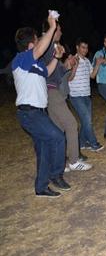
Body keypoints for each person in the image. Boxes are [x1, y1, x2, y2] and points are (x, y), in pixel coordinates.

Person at [12, 14, 70, 197]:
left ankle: (41, 187)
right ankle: (56, 175)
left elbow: (47, 71)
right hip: (30, 113)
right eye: (37, 40)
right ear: (31, 43)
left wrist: (56, 57)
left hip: (38, 112)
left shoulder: (34, 65)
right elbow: (38, 50)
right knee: (58, 137)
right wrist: (52, 27)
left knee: (44, 148)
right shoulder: (21, 59)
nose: (39, 43)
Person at [41, 22, 92, 171]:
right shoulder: (48, 46)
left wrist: (66, 66)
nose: (61, 32)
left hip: (51, 91)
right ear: (53, 29)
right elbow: (47, 73)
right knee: (71, 125)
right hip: (52, 91)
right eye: (60, 29)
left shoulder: (49, 47)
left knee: (58, 129)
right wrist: (62, 62)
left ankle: (60, 163)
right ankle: (74, 161)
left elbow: (55, 73)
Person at [68, 38, 104, 151]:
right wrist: (75, 66)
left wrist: (97, 64)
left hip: (86, 95)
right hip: (75, 95)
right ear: (77, 47)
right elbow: (69, 78)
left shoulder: (87, 61)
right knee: (87, 120)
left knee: (85, 120)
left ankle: (82, 143)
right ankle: (93, 143)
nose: (85, 50)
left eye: (87, 47)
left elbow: (92, 76)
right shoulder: (72, 60)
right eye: (83, 47)